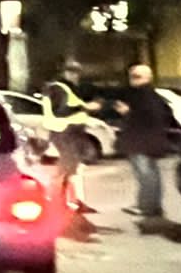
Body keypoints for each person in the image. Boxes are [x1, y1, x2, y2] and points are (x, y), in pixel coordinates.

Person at [113, 63, 174, 228]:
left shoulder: (144, 95)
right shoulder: (151, 95)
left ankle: (147, 208)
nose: (132, 79)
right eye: (132, 75)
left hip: (142, 142)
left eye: (137, 76)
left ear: (147, 78)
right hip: (148, 142)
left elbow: (150, 117)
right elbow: (166, 116)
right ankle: (150, 207)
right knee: (150, 175)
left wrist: (127, 112)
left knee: (146, 176)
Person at [45, 66, 102, 212]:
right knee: (66, 167)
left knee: (74, 168)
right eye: (72, 73)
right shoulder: (58, 88)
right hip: (63, 130)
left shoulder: (69, 89)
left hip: (73, 130)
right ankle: (57, 202)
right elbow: (60, 112)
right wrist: (85, 107)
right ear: (65, 73)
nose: (76, 76)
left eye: (77, 73)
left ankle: (75, 201)